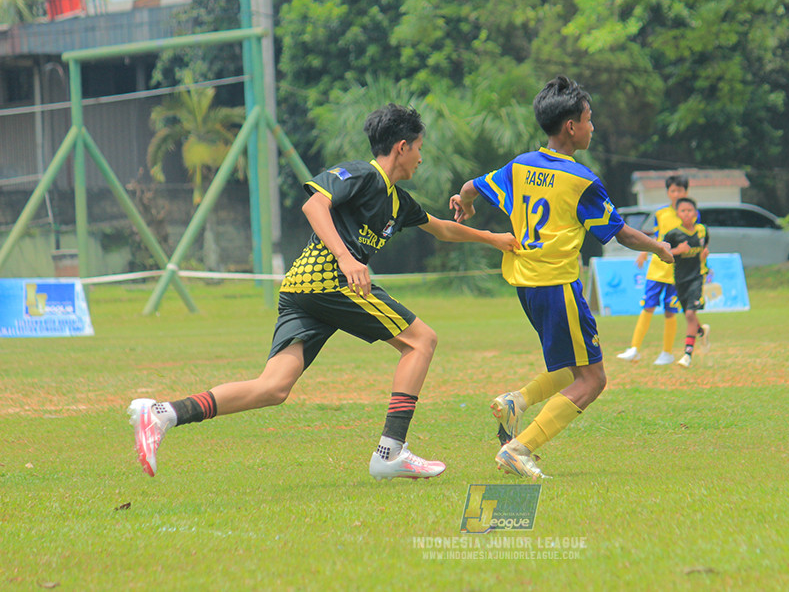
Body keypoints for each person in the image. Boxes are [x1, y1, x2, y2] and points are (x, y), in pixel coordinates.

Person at [127, 104, 520, 481]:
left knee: (273, 387)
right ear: (402, 147)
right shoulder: (361, 174)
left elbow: (443, 228)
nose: (421, 158)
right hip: (327, 278)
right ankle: (390, 453)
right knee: (421, 341)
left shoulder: (397, 202)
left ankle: (163, 413)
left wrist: (496, 239)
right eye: (419, 148)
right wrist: (349, 260)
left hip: (306, 288)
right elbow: (315, 206)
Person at [450, 75, 674, 479]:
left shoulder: (519, 165)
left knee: (575, 364)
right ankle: (520, 449)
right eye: (589, 120)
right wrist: (658, 246)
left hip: (526, 286)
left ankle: (516, 401)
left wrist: (464, 202)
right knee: (593, 379)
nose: (592, 127)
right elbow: (620, 232)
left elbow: (471, 187)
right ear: (571, 126)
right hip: (557, 286)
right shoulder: (581, 179)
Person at [616, 175, 706, 365]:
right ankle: (634, 349)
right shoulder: (661, 214)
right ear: (668, 193)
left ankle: (667, 352)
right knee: (647, 306)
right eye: (672, 191)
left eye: (680, 191)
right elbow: (657, 236)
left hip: (676, 272)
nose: (676, 194)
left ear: (686, 192)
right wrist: (643, 252)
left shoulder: (689, 214)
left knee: (669, 311)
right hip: (657, 268)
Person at [663, 197, 710, 367]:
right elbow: (663, 253)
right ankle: (701, 331)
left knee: (690, 314)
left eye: (690, 210)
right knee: (688, 314)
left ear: (695, 213)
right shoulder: (673, 234)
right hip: (680, 279)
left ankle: (687, 355)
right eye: (683, 211)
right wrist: (678, 250)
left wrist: (704, 254)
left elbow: (705, 247)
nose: (687, 213)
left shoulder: (702, 230)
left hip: (697, 277)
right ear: (678, 214)